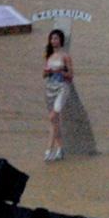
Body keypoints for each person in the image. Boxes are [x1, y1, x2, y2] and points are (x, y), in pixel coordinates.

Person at [42, 29, 72, 162]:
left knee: (52, 117)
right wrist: (47, 72)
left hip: (62, 88)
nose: (53, 41)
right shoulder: (48, 56)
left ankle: (49, 149)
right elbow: (44, 75)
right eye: (52, 39)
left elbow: (70, 75)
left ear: (61, 40)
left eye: (56, 38)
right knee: (55, 121)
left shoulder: (65, 56)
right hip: (50, 89)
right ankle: (60, 149)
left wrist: (60, 71)